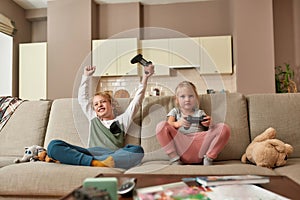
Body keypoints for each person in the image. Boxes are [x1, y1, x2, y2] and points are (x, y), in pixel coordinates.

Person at [47, 64, 154, 169]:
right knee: (53, 145)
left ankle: (87, 162)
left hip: (112, 155)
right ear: (94, 110)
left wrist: (145, 77)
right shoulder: (94, 118)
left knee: (137, 150)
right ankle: (96, 163)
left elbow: (137, 101)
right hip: (91, 153)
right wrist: (86, 76)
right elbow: (82, 99)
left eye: (103, 102)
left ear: (111, 105)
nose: (99, 105)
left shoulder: (122, 120)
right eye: (96, 104)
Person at [156, 81, 230, 165]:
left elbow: (211, 130)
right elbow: (168, 124)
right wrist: (178, 123)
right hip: (183, 145)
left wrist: (210, 123)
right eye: (182, 96)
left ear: (196, 98)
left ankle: (209, 157)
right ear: (177, 100)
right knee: (161, 126)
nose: (187, 99)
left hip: (201, 146)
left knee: (223, 127)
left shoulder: (200, 112)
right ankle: (174, 159)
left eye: (191, 96)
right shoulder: (175, 112)